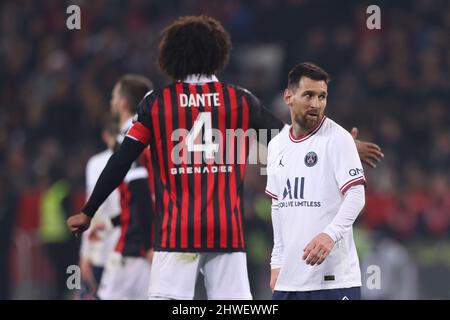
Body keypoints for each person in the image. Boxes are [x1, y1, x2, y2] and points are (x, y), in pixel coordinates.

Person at [68, 15, 382, 300]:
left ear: (172, 55)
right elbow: (292, 138)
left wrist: (88, 210)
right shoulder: (239, 100)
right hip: (225, 229)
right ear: (219, 54)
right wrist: (339, 144)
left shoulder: (157, 103)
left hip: (177, 232)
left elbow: (121, 160)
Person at [266, 62, 366, 300]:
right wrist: (277, 261)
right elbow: (278, 206)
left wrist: (329, 235)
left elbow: (356, 195)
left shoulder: (338, 139)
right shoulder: (275, 146)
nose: (316, 104)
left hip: (333, 281)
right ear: (288, 97)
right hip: (289, 281)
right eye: (308, 95)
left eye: (322, 96)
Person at [95, 74, 155, 300]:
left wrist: (148, 245)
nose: (111, 101)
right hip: (148, 241)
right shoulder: (153, 135)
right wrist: (112, 222)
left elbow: (140, 191)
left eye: (113, 96)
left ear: (121, 102)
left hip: (134, 248)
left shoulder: (130, 137)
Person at [78, 120, 121, 299]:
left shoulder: (96, 163)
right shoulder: (142, 158)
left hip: (102, 248)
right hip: (133, 247)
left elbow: (93, 210)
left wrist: (85, 252)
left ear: (105, 136)